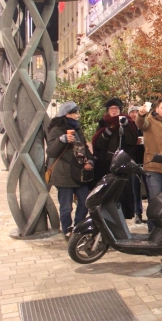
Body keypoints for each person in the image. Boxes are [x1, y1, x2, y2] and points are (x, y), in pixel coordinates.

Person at [46, 101, 94, 240]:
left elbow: (84, 147)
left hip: (79, 173)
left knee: (85, 203)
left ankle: (78, 227)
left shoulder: (77, 129)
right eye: (75, 113)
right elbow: (51, 152)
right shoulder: (57, 129)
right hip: (63, 174)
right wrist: (62, 140)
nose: (78, 115)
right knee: (66, 207)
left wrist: (90, 161)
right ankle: (67, 230)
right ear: (67, 114)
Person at [91, 97, 138, 219]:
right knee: (107, 192)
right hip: (105, 164)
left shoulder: (127, 122)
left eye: (116, 108)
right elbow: (97, 144)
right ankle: (106, 216)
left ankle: (122, 216)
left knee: (122, 192)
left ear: (120, 109)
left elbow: (132, 140)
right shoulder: (103, 122)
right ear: (108, 110)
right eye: (111, 108)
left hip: (122, 164)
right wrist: (106, 133)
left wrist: (126, 126)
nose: (114, 110)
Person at [128, 105, 151, 224]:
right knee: (135, 189)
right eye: (132, 112)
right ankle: (138, 214)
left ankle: (151, 214)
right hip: (133, 162)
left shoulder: (145, 125)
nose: (134, 114)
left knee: (150, 189)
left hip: (146, 161)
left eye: (137, 112)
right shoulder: (127, 126)